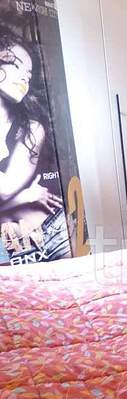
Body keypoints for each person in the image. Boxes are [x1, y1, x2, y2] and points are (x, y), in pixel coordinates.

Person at [0, 27, 70, 262]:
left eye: (28, 75)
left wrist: (18, 197)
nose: (24, 78)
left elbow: (5, 189)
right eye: (16, 65)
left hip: (53, 232)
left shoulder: (31, 128)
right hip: (9, 248)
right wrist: (26, 197)